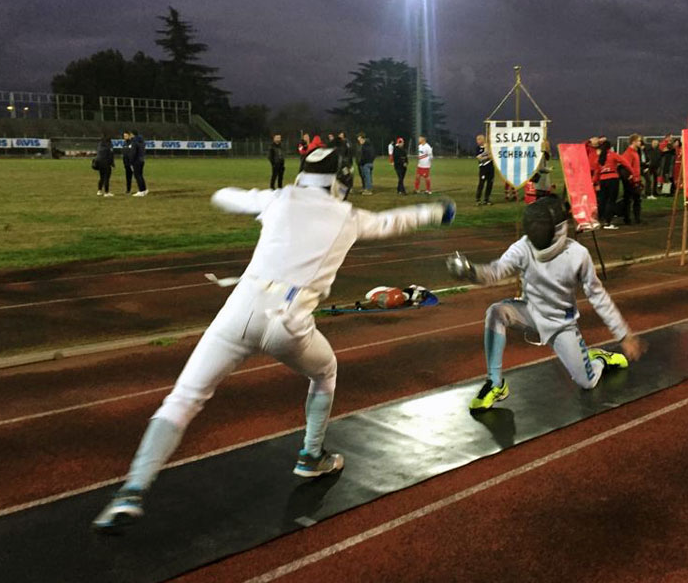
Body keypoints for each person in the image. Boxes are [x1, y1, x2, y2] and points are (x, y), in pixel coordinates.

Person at [92, 145, 457, 531]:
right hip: (289, 323)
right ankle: (311, 455)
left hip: (238, 311)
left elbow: (224, 197)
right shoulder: (348, 216)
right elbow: (394, 222)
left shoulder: (280, 198)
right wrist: (438, 210)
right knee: (325, 372)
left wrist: (257, 200)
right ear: (340, 180)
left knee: (183, 398)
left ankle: (132, 490)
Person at [445, 195, 644, 411]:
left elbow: (598, 296)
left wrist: (623, 334)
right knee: (496, 312)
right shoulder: (524, 246)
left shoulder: (578, 255)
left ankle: (599, 359)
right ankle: (495, 383)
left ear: (557, 229)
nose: (537, 232)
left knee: (587, 382)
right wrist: (471, 272)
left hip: (561, 325)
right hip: (530, 313)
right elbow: (496, 271)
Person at [615, 134, 643, 225]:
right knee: (628, 199)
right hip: (630, 180)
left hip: (636, 179)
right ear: (633, 142)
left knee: (637, 199)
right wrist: (629, 177)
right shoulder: (628, 153)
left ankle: (637, 218)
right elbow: (624, 166)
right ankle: (627, 218)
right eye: (638, 141)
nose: (640, 142)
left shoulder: (636, 152)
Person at [475, 133, 494, 205]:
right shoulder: (478, 148)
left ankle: (487, 199)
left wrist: (487, 153)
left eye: (479, 139)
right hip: (483, 169)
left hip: (490, 168)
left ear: (483, 140)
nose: (477, 141)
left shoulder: (489, 147)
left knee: (490, 184)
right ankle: (478, 199)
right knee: (481, 184)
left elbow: (492, 156)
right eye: (477, 139)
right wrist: (487, 155)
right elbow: (479, 158)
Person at [131, 130, 148, 197]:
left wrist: (131, 161)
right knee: (140, 175)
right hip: (141, 160)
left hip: (136, 160)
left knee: (137, 175)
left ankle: (141, 191)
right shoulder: (142, 141)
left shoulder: (134, 142)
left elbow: (133, 152)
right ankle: (144, 189)